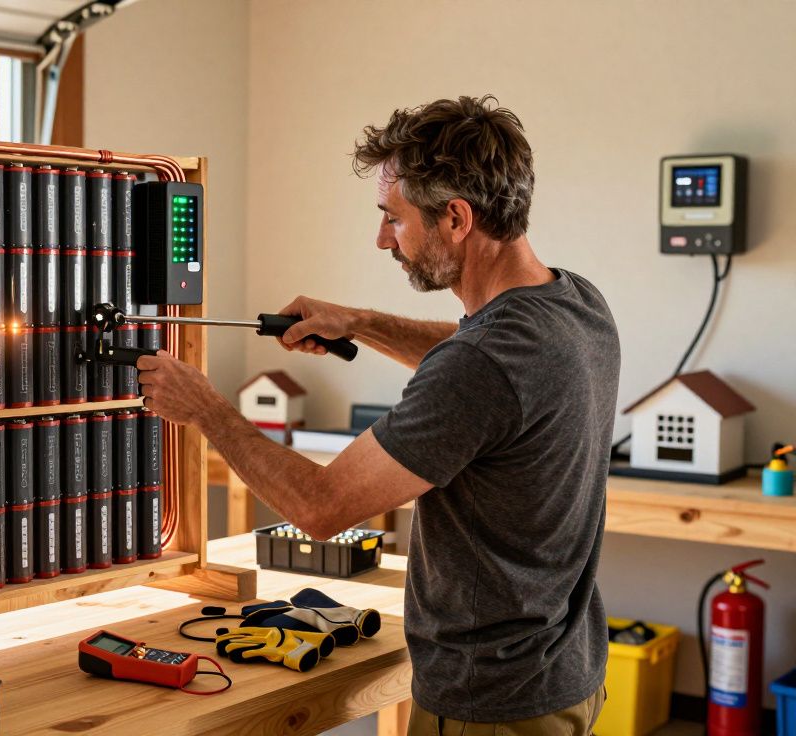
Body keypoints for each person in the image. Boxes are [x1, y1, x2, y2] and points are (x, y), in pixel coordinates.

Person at [136, 95, 619, 735]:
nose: (383, 238)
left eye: (394, 218)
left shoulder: (479, 366)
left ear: (455, 218)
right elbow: (479, 358)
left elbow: (320, 506)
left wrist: (207, 410)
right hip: (565, 671)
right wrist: (359, 324)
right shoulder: (574, 303)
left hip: (489, 701)